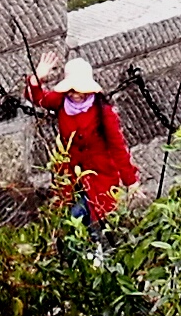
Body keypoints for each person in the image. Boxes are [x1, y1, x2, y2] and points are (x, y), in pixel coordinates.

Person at [25, 54, 140, 227]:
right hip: (69, 176)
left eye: (79, 89)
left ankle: (96, 251)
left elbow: (118, 147)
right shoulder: (61, 102)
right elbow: (38, 99)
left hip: (99, 176)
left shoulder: (103, 112)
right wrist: (37, 78)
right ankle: (91, 251)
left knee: (83, 217)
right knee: (74, 219)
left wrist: (130, 181)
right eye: (70, 90)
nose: (74, 94)